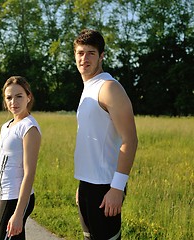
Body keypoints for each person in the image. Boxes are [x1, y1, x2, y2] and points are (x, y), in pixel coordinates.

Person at [73, 29, 138, 239]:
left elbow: (130, 140)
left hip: (105, 188)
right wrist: (82, 185)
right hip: (87, 185)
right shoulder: (88, 88)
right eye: (80, 53)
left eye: (91, 53)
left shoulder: (109, 88)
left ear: (102, 56)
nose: (84, 58)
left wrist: (117, 188)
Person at [0, 76, 41, 240]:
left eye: (19, 96)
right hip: (2, 196)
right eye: (9, 97)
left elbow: (29, 173)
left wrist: (18, 214)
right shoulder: (6, 126)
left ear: (28, 97)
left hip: (16, 197)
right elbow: (1, 166)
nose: (13, 102)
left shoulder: (29, 128)